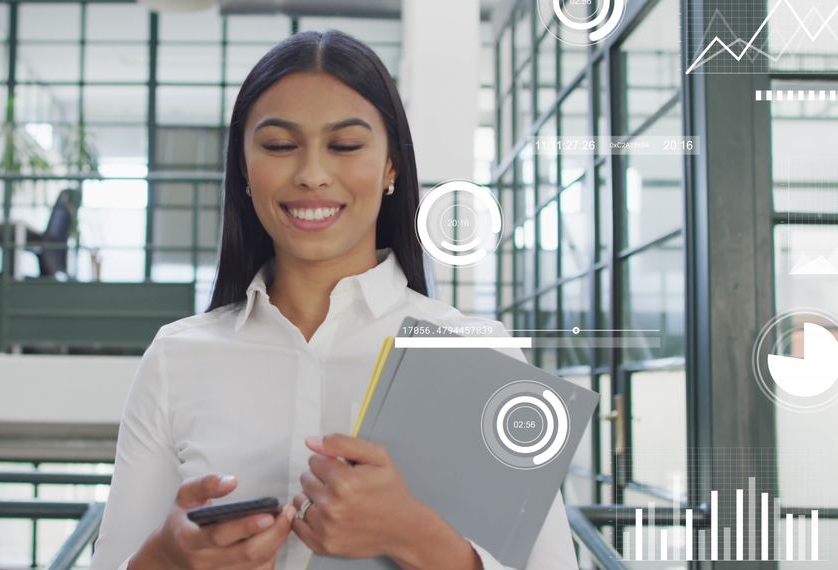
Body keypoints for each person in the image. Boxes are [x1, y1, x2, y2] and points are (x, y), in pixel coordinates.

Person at [89, 29, 577, 570]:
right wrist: (168, 557)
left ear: (391, 166)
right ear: (245, 171)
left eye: (345, 146)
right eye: (279, 146)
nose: (312, 174)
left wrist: (414, 535)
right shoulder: (177, 357)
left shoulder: (476, 353)